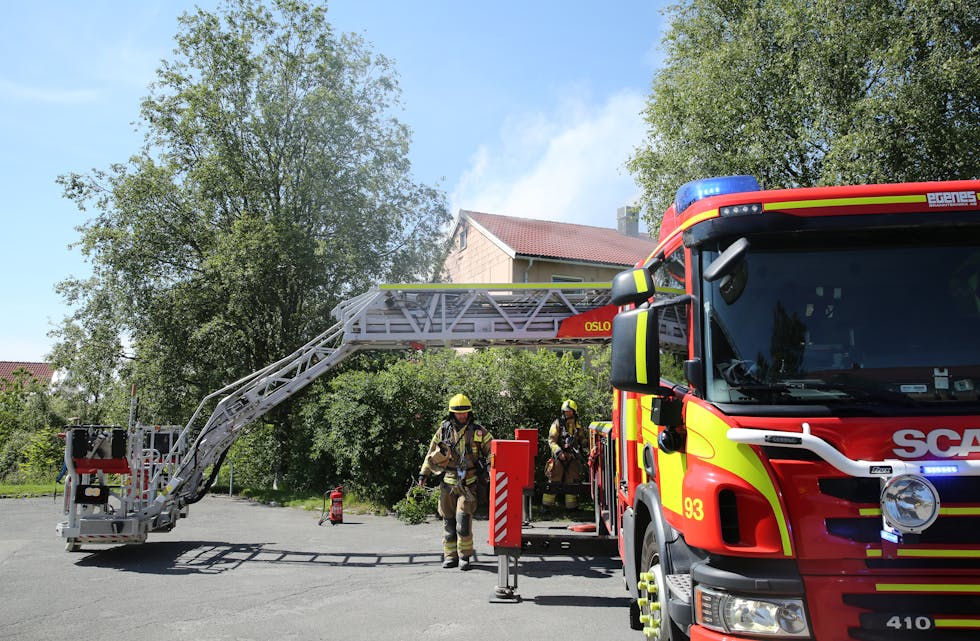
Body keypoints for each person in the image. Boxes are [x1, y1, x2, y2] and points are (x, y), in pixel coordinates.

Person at [417, 393, 493, 570]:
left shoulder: (478, 431)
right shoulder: (443, 430)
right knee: (448, 522)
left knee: (463, 522)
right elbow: (431, 454)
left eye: (465, 412)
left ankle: (465, 556)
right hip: (448, 483)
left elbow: (492, 449)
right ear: (452, 414)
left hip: (469, 484)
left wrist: (489, 466)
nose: (462, 416)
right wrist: (423, 474)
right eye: (459, 413)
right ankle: (450, 556)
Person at [542, 399, 588, 512]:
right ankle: (546, 506)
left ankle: (571, 507)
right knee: (553, 480)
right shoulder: (557, 424)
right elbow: (551, 441)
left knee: (571, 481)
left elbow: (582, 439)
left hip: (572, 457)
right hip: (559, 458)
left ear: (574, 412)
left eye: (569, 411)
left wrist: (585, 445)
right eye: (565, 411)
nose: (567, 413)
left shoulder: (577, 425)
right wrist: (559, 452)